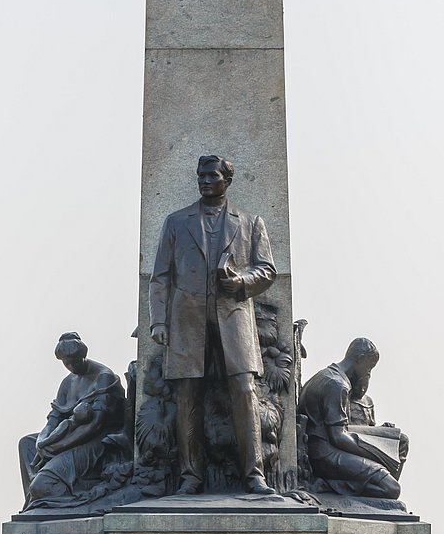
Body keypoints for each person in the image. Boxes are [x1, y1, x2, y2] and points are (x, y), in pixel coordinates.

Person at [149, 155, 276, 496]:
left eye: (212, 176)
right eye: (201, 175)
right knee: (188, 395)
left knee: (245, 392)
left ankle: (255, 476)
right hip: (187, 320)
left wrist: (241, 282)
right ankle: (190, 477)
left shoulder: (250, 222)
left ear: (227, 180)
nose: (205, 181)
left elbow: (267, 270)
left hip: (234, 318)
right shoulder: (176, 222)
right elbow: (160, 277)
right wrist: (158, 321)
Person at [20, 332, 126, 509]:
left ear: (83, 355)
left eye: (74, 361)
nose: (71, 366)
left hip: (98, 441)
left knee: (42, 486)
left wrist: (57, 446)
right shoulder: (67, 382)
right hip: (69, 435)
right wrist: (42, 442)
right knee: (26, 443)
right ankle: (36, 493)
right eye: (66, 363)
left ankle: (64, 493)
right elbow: (53, 419)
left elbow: (96, 425)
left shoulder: (103, 376)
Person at [299, 338, 408, 500]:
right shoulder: (337, 385)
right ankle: (326, 485)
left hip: (327, 446)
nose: (368, 373)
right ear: (360, 359)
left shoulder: (330, 375)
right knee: (391, 489)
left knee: (400, 440)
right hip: (323, 454)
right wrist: (378, 454)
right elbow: (338, 436)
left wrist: (379, 434)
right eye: (369, 367)